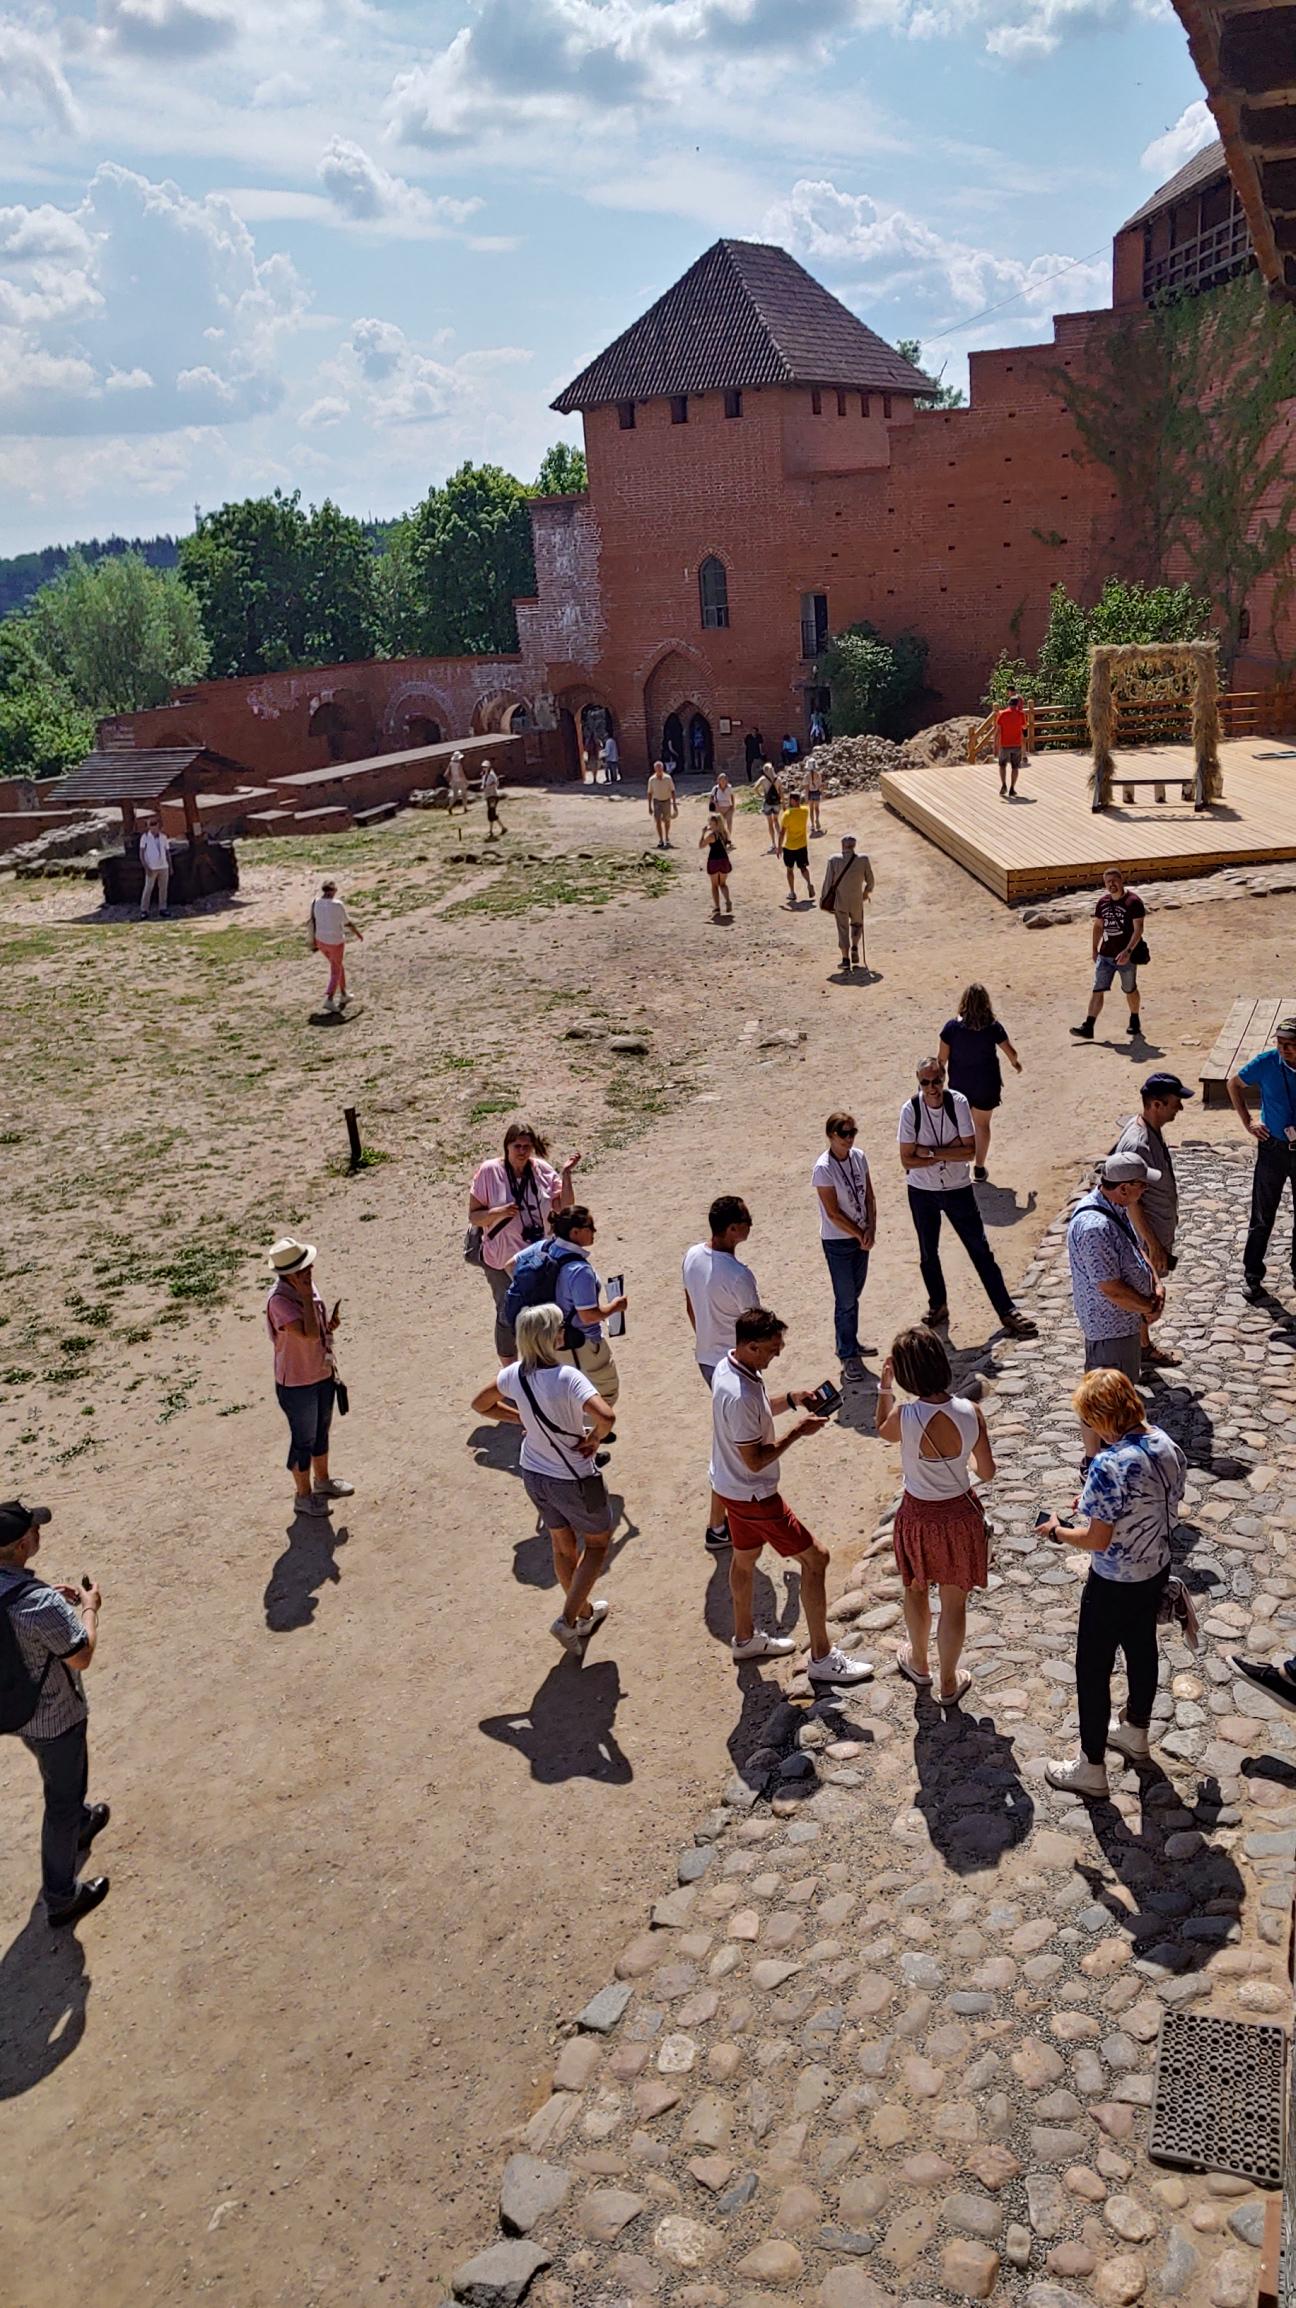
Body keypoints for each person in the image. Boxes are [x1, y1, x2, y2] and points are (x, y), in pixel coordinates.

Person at [1042, 1368, 1186, 1797]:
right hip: (1155, 1568)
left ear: (1104, 1418)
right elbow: (1149, 1500)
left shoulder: (1109, 1464)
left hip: (1114, 1582)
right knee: (1142, 1649)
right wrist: (1093, 1500)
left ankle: (1090, 1767)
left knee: (1092, 1669)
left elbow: (1096, 1539)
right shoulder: (1166, 1444)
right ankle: (1135, 1731)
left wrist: (1056, 1531)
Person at [710, 1307, 873, 1686]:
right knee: (817, 1559)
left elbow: (756, 1412)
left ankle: (745, 1639)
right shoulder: (741, 1395)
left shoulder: (727, 1367)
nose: (778, 1353)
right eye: (772, 1348)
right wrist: (798, 1431)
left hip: (729, 1489)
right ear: (751, 1346)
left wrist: (793, 1398)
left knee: (744, 1560)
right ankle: (822, 1657)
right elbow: (755, 1459)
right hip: (755, 1496)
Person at [472, 1305, 616, 1653]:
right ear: (552, 1336)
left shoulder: (514, 1374)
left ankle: (584, 1614)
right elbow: (607, 1416)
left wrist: (520, 1418)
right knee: (597, 1544)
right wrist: (595, 1438)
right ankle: (566, 1620)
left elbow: (480, 1404)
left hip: (534, 1474)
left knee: (562, 1547)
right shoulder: (568, 1377)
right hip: (573, 1477)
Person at [0, 1499, 110, 1925]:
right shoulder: (38, 1604)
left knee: (61, 1778)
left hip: (15, 1709)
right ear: (23, 1544)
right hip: (55, 1716)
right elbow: (81, 1656)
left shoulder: (28, 1597)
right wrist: (89, 1608)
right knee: (61, 1799)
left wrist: (53, 1604)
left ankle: (81, 1821)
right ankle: (61, 1897)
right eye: (35, 1530)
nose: (39, 1533)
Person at [876, 1325, 994, 1707]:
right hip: (961, 1515)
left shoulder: (905, 1416)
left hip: (918, 1516)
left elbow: (882, 1431)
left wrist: (884, 1389)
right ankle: (948, 1681)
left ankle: (919, 1662)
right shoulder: (972, 1412)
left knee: (915, 1590)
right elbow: (987, 1471)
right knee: (954, 1604)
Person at [899, 1059, 1037, 1338]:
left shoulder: (958, 1103)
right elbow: (907, 1159)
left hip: (957, 1189)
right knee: (928, 1253)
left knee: (980, 1250)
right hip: (923, 1191)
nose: (932, 1088)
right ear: (918, 1081)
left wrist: (930, 1152)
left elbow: (970, 1152)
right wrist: (949, 1150)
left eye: (936, 1081)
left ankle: (1006, 1309)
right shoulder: (910, 1110)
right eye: (925, 1082)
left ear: (944, 1078)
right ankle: (938, 1304)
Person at [684, 1195, 760, 1549]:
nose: (750, 1225)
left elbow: (690, 1304)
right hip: (735, 1368)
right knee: (737, 1449)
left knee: (730, 1444)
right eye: (746, 1221)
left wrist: (706, 1337)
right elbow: (757, 1330)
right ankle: (720, 1526)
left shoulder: (692, 1256)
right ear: (732, 1230)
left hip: (707, 1360)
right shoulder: (739, 1276)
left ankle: (721, 1523)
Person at [469, 1123, 580, 1357]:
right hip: (501, 1259)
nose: (522, 1151)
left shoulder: (541, 1170)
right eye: (517, 1146)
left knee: (543, 1312)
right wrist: (499, 1212)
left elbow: (564, 1207)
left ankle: (543, 1361)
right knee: (507, 1313)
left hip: (536, 1260)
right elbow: (474, 1216)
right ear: (506, 1147)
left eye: (526, 1147)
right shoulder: (489, 1171)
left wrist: (567, 1174)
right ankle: (509, 1369)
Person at [265, 1236, 353, 1515]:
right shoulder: (280, 1301)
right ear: (289, 1274)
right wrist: (304, 1295)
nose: (310, 1269)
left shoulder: (305, 1285)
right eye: (304, 1268)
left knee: (320, 1432)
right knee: (303, 1439)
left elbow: (316, 1327)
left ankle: (322, 1481)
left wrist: (329, 1326)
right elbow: (308, 1334)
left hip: (320, 1372)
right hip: (296, 1383)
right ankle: (303, 1496)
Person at [1114, 1072, 1194, 1366]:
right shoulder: (1138, 1144)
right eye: (1175, 1102)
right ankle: (1141, 1350)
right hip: (1145, 1235)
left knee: (1144, 1289)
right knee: (1141, 1292)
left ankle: (1141, 1347)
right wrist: (1153, 1245)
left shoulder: (1151, 1130)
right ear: (1157, 1105)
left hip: (1155, 1229)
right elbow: (1131, 1202)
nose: (1180, 1108)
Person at [1066, 1151, 1164, 1380]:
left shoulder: (1114, 1206)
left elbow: (1135, 1247)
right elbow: (1112, 1288)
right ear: (1123, 1188)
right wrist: (1149, 1307)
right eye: (1142, 1185)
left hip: (1125, 1323)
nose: (1145, 1190)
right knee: (1113, 1396)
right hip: (1111, 1332)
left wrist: (1157, 1284)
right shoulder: (1095, 1228)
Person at [1228, 1016, 1296, 1303]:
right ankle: (1252, 1275)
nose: (1284, 1049)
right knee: (1262, 1216)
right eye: (1280, 1043)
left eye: (1290, 1044)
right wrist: (1248, 1122)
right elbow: (1234, 1084)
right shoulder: (1267, 1062)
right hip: (1273, 1149)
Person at [813, 1113, 876, 1379]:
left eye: (853, 1133)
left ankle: (851, 1341)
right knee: (846, 1298)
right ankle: (847, 1354)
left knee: (854, 1294)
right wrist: (860, 1233)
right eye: (844, 1134)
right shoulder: (823, 1168)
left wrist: (871, 1228)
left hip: (860, 1236)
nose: (849, 1139)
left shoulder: (858, 1157)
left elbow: (869, 1196)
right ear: (831, 1135)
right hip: (838, 1241)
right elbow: (833, 1213)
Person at [939, 983, 1022, 1180]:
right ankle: (979, 1167)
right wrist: (1015, 1063)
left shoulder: (951, 1027)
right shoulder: (993, 1027)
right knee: (982, 1125)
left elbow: (941, 1059)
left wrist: (936, 1083)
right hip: (986, 1084)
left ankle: (957, 1165)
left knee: (959, 1125)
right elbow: (1011, 1052)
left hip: (959, 1084)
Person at [548, 1205, 625, 1408]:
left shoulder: (545, 1249)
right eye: (589, 1227)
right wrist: (615, 1306)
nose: (594, 1231)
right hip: (583, 1346)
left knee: (568, 1396)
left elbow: (511, 1264)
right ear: (575, 1232)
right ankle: (589, 1428)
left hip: (553, 1341)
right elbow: (588, 1316)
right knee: (604, 1397)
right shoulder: (579, 1271)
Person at [1071, 867, 1146, 1043]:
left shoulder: (1134, 902)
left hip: (1125, 957)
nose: (1111, 884)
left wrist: (1128, 951)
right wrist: (1094, 949)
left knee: (1129, 989)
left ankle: (1134, 1018)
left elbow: (1139, 929)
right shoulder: (1103, 902)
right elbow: (1098, 926)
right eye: (1107, 882)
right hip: (1105, 954)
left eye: (1114, 880)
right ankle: (1088, 1026)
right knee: (1098, 988)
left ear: (1121, 880)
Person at [821, 832, 874, 973]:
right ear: (854, 846)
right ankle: (855, 946)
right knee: (857, 924)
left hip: (841, 901)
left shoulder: (833, 860)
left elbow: (828, 882)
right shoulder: (863, 860)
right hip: (857, 900)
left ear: (842, 845)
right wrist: (866, 893)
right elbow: (870, 881)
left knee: (842, 929)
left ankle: (845, 959)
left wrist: (824, 900)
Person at [309, 879, 362, 1014]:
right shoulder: (337, 905)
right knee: (336, 969)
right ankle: (330, 998)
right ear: (333, 891)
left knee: (337, 965)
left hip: (321, 940)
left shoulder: (315, 902)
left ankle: (344, 993)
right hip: (335, 941)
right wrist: (357, 933)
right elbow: (347, 922)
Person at [779, 791, 814, 905]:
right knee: (803, 867)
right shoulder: (805, 811)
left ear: (793, 801)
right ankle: (809, 883)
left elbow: (782, 833)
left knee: (790, 870)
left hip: (790, 846)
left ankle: (792, 892)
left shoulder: (787, 815)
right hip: (802, 845)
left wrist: (779, 847)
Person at [699, 810, 734, 919]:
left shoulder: (712, 836)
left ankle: (717, 907)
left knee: (714, 886)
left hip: (714, 861)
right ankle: (728, 900)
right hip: (724, 860)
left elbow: (701, 846)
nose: (709, 824)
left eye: (710, 822)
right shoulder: (725, 833)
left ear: (715, 823)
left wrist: (703, 833)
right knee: (723, 884)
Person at [994, 692, 1028, 797]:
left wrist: (995, 745)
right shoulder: (1021, 715)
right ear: (1017, 704)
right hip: (1016, 744)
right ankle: (1012, 788)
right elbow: (1024, 727)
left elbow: (998, 730)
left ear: (1008, 703)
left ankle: (1004, 785)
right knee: (1015, 767)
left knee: (1002, 765)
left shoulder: (1002, 714)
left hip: (1004, 744)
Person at [138, 814, 171, 917]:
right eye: (151, 824)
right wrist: (146, 867)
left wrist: (170, 866)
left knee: (163, 888)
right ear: (148, 826)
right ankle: (144, 910)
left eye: (155, 824)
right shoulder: (145, 837)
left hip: (163, 866)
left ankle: (163, 908)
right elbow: (141, 854)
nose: (153, 826)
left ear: (158, 825)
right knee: (148, 888)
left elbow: (167, 852)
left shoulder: (163, 837)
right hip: (151, 867)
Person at [647, 759, 677, 848]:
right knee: (658, 820)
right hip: (657, 801)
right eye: (657, 769)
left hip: (666, 801)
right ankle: (661, 839)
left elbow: (672, 791)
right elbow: (649, 793)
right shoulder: (652, 780)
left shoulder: (668, 778)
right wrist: (649, 806)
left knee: (667, 820)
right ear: (655, 769)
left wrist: (674, 804)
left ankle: (667, 837)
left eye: (660, 768)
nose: (659, 770)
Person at [759, 762, 783, 854]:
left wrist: (761, 795)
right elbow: (781, 792)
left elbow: (755, 788)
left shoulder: (763, 779)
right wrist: (783, 803)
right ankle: (780, 842)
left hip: (768, 803)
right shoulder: (778, 779)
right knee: (776, 821)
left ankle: (773, 843)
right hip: (776, 802)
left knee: (770, 823)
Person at [709, 770, 736, 843]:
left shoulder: (729, 787)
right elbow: (711, 798)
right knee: (720, 824)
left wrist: (733, 805)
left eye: (725, 779)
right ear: (719, 781)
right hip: (718, 809)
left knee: (729, 823)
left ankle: (728, 838)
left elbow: (732, 796)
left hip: (728, 808)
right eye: (722, 780)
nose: (723, 781)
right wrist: (714, 806)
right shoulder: (715, 788)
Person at [481, 760, 504, 838]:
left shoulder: (491, 774)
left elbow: (496, 783)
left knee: (491, 813)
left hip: (493, 795)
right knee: (492, 813)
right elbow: (483, 784)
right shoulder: (484, 776)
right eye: (483, 767)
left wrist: (490, 786)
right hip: (488, 795)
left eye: (485, 767)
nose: (484, 768)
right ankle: (502, 828)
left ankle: (491, 831)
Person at [804, 755, 824, 836]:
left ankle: (812, 824)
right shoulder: (818, 775)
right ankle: (817, 819)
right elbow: (820, 785)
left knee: (811, 810)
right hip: (816, 792)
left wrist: (806, 797)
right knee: (817, 808)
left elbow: (806, 788)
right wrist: (821, 793)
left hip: (810, 794)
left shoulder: (806, 776)